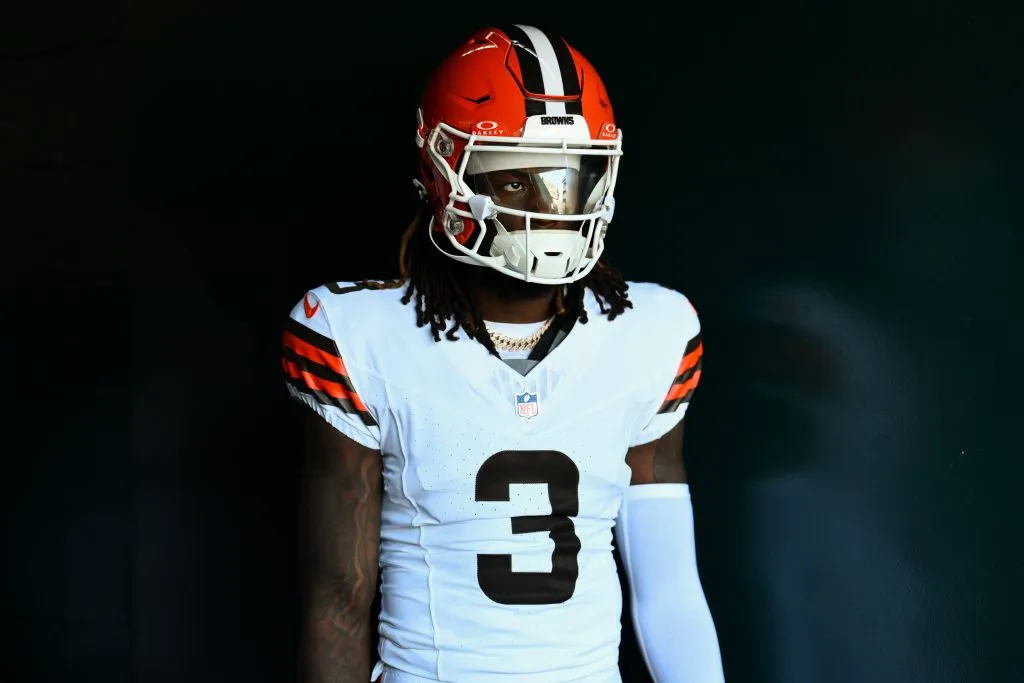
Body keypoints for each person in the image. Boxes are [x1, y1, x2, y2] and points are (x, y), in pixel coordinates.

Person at [281, 24, 726, 683]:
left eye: (569, 178)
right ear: (443, 173)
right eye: (513, 180)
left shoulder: (650, 332)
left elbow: (669, 595)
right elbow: (337, 602)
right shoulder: (359, 334)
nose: (551, 207)